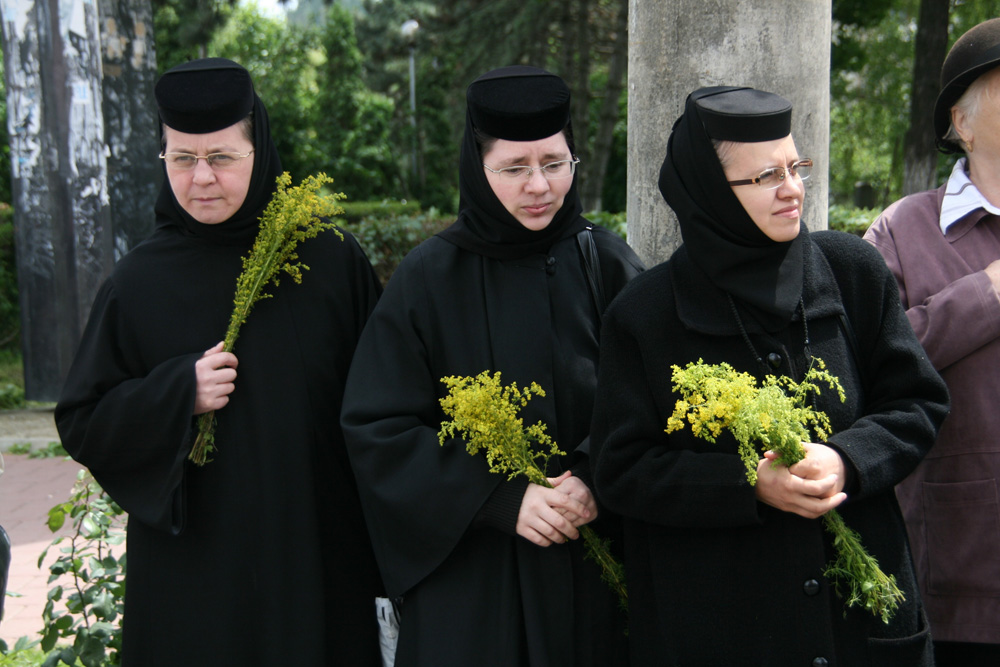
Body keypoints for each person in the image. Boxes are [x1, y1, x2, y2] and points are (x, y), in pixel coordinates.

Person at [589, 86, 950, 665]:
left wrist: (846, 459)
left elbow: (917, 403)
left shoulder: (852, 271)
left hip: (863, 628)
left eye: (795, 166)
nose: (792, 189)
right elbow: (621, 468)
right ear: (708, 191)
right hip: (723, 627)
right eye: (764, 177)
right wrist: (747, 483)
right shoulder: (644, 315)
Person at [55, 58, 384, 666]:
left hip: (317, 558)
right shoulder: (137, 282)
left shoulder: (330, 262)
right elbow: (82, 418)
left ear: (258, 150)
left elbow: (389, 405)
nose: (201, 178)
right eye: (182, 158)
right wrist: (177, 392)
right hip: (196, 578)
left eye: (222, 157)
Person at [341, 65, 643, 666]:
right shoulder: (427, 279)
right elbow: (378, 430)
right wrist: (501, 499)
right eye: (513, 168)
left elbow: (647, 401)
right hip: (472, 586)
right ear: (477, 170)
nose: (539, 187)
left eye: (555, 164)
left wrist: (591, 478)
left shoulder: (606, 263)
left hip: (592, 569)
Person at [864, 18, 1000, 666]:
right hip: (953, 583)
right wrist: (987, 294)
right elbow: (869, 363)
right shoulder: (900, 230)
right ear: (962, 124)